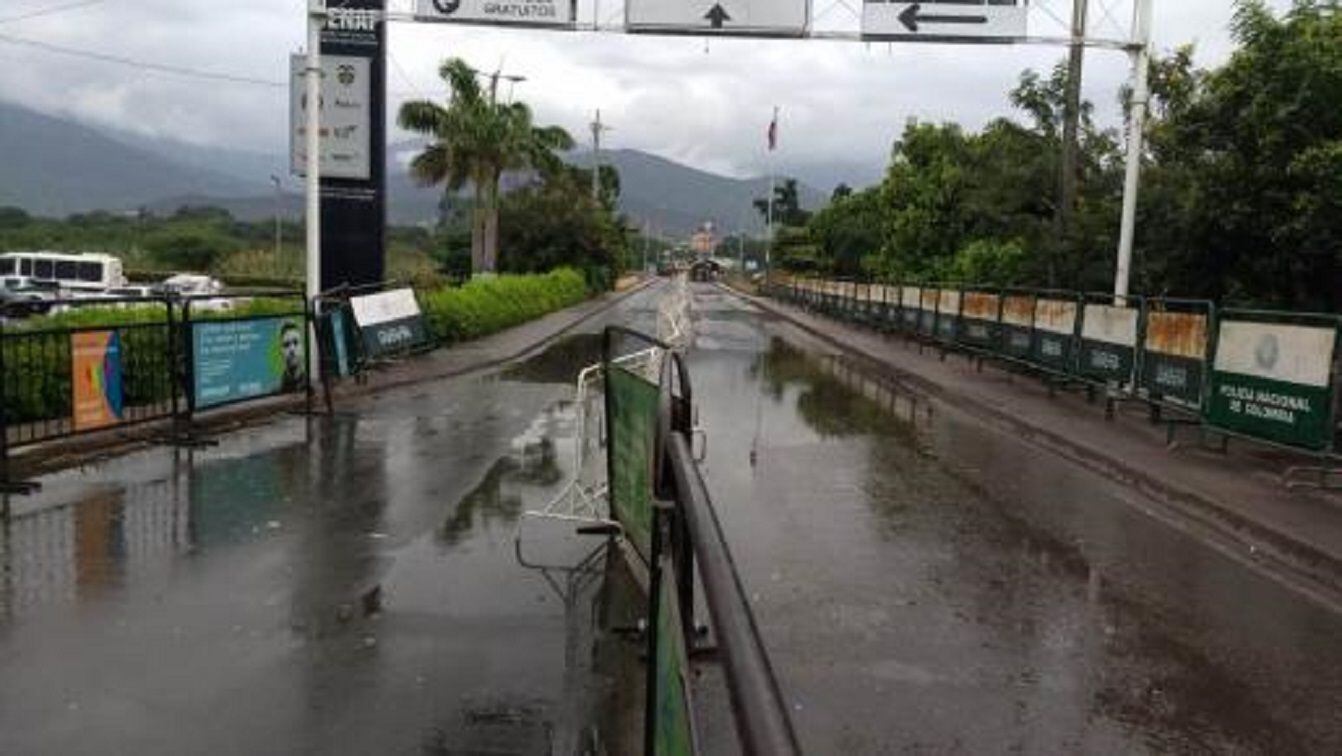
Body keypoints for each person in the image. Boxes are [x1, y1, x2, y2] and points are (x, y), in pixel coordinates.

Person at [280, 320, 304, 392]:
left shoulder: (309, 386)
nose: (292, 349)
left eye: (296, 342)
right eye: (286, 344)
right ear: (281, 351)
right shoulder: (276, 389)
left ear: (303, 347)